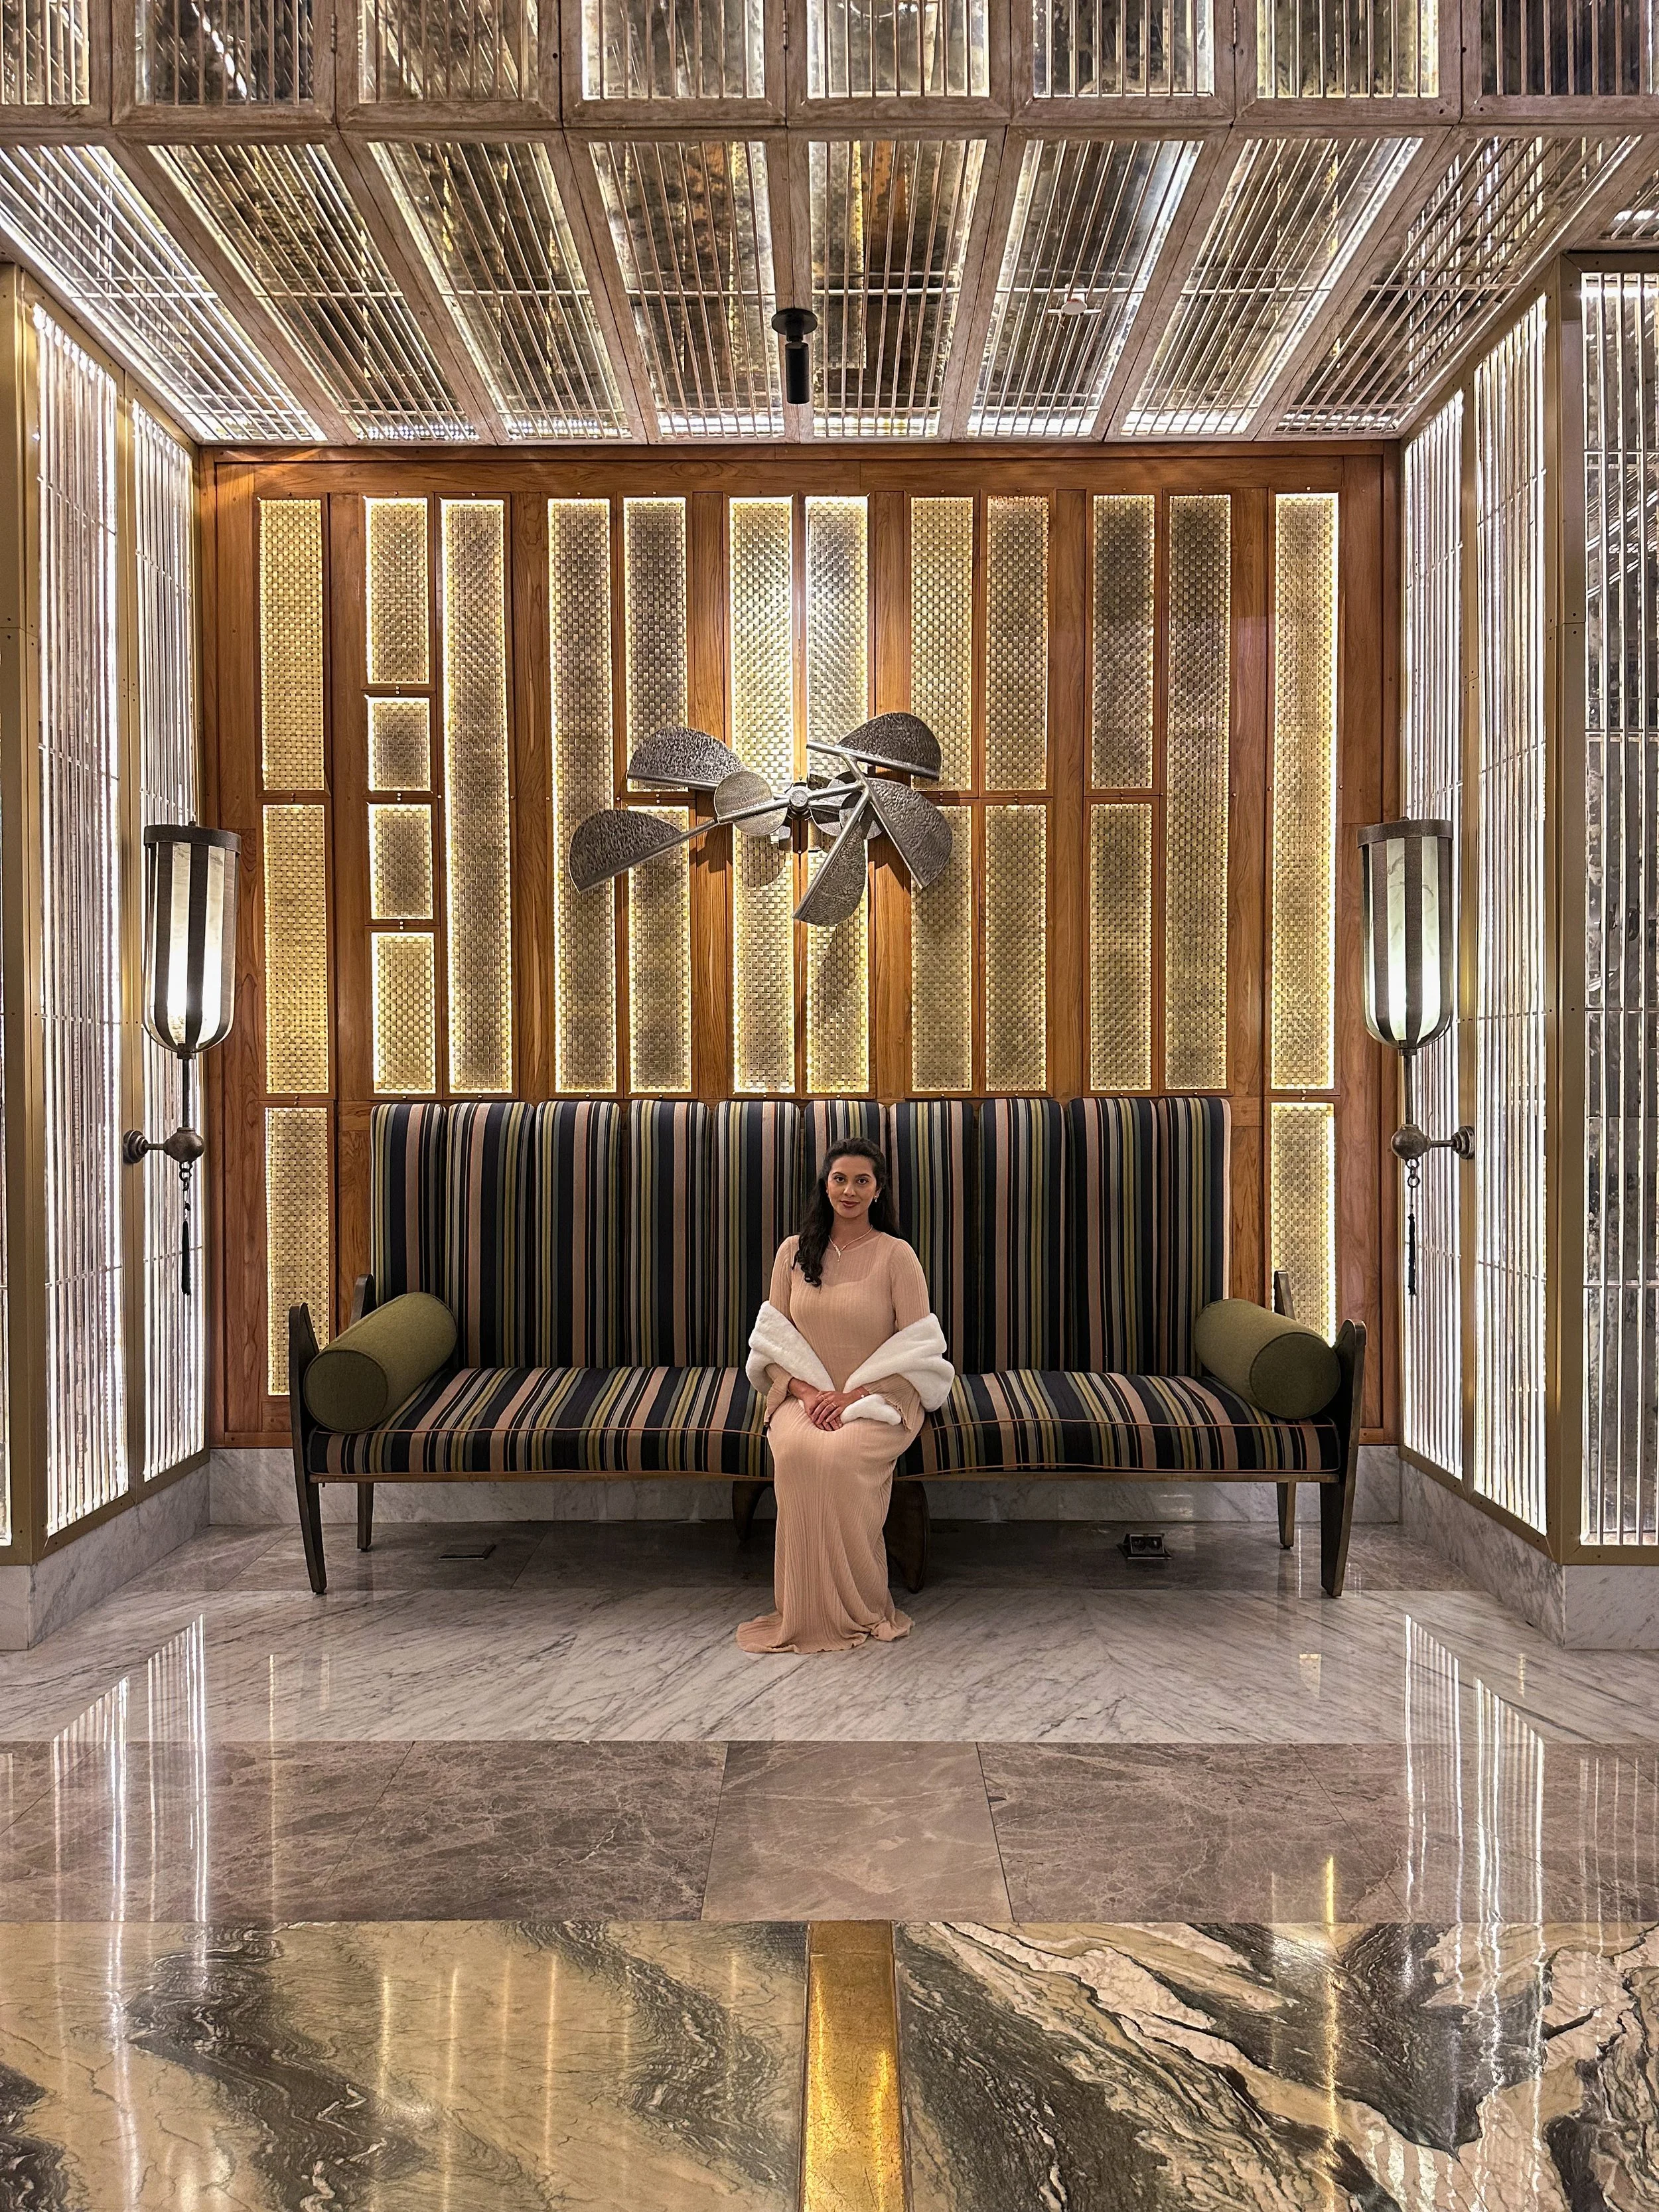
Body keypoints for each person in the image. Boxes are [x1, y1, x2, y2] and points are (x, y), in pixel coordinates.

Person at [737, 1138, 951, 1655]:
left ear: (879, 1190)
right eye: (840, 1179)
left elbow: (919, 1348)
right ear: (825, 1184)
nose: (849, 1190)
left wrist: (855, 1393)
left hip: (881, 1399)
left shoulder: (897, 1256)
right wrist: (810, 1394)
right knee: (801, 1451)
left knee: (836, 1456)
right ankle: (804, 1608)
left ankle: (859, 1604)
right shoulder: (792, 1253)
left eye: (862, 1181)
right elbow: (773, 1340)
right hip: (802, 1397)